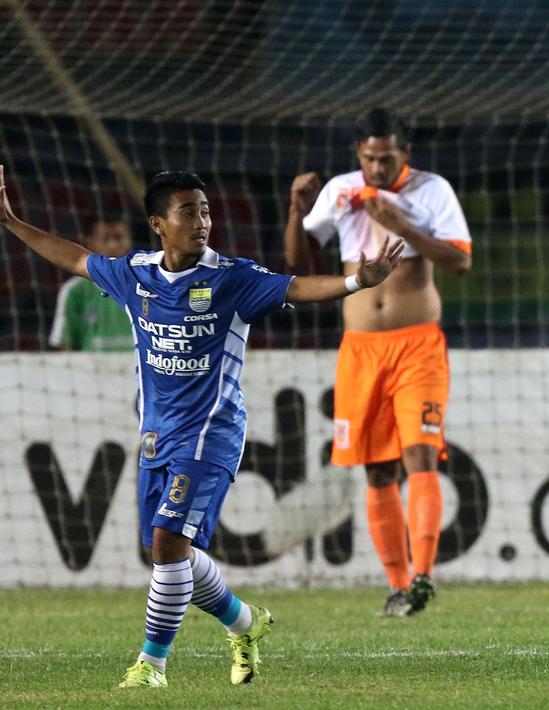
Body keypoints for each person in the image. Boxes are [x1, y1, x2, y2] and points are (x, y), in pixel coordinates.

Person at [0, 167, 402, 687]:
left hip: (212, 433)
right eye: (189, 212)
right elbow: (75, 257)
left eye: (207, 211)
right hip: (155, 435)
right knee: (171, 552)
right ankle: (245, 621)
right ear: (158, 224)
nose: (203, 221)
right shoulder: (135, 274)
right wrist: (10, 222)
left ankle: (152, 664)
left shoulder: (232, 278)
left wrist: (355, 282)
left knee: (168, 541)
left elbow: (299, 287)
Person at [283, 108, 473, 617]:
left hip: (417, 346)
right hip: (361, 349)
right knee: (376, 469)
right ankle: (397, 586)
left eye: (386, 159)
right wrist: (296, 208)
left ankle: (423, 574)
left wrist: (400, 222)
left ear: (404, 154)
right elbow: (297, 261)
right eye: (369, 159)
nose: (377, 169)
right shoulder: (342, 191)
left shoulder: (432, 191)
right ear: (358, 155)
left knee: (420, 455)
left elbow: (460, 261)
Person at [48, 216, 133, 351]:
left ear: (129, 242)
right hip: (92, 370)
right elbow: (64, 347)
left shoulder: (146, 284)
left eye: (118, 238)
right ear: (90, 242)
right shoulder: (74, 290)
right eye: (105, 239)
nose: (113, 245)